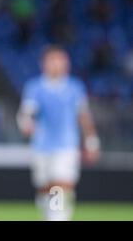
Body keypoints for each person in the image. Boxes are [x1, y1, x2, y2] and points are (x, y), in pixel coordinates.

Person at [16, 45, 100, 221]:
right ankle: (53, 214)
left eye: (61, 60)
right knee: (44, 188)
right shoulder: (35, 87)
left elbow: (83, 116)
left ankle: (58, 217)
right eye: (53, 60)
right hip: (41, 146)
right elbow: (27, 113)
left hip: (66, 145)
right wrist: (25, 123)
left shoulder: (75, 87)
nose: (58, 64)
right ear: (44, 63)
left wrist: (91, 141)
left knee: (60, 183)